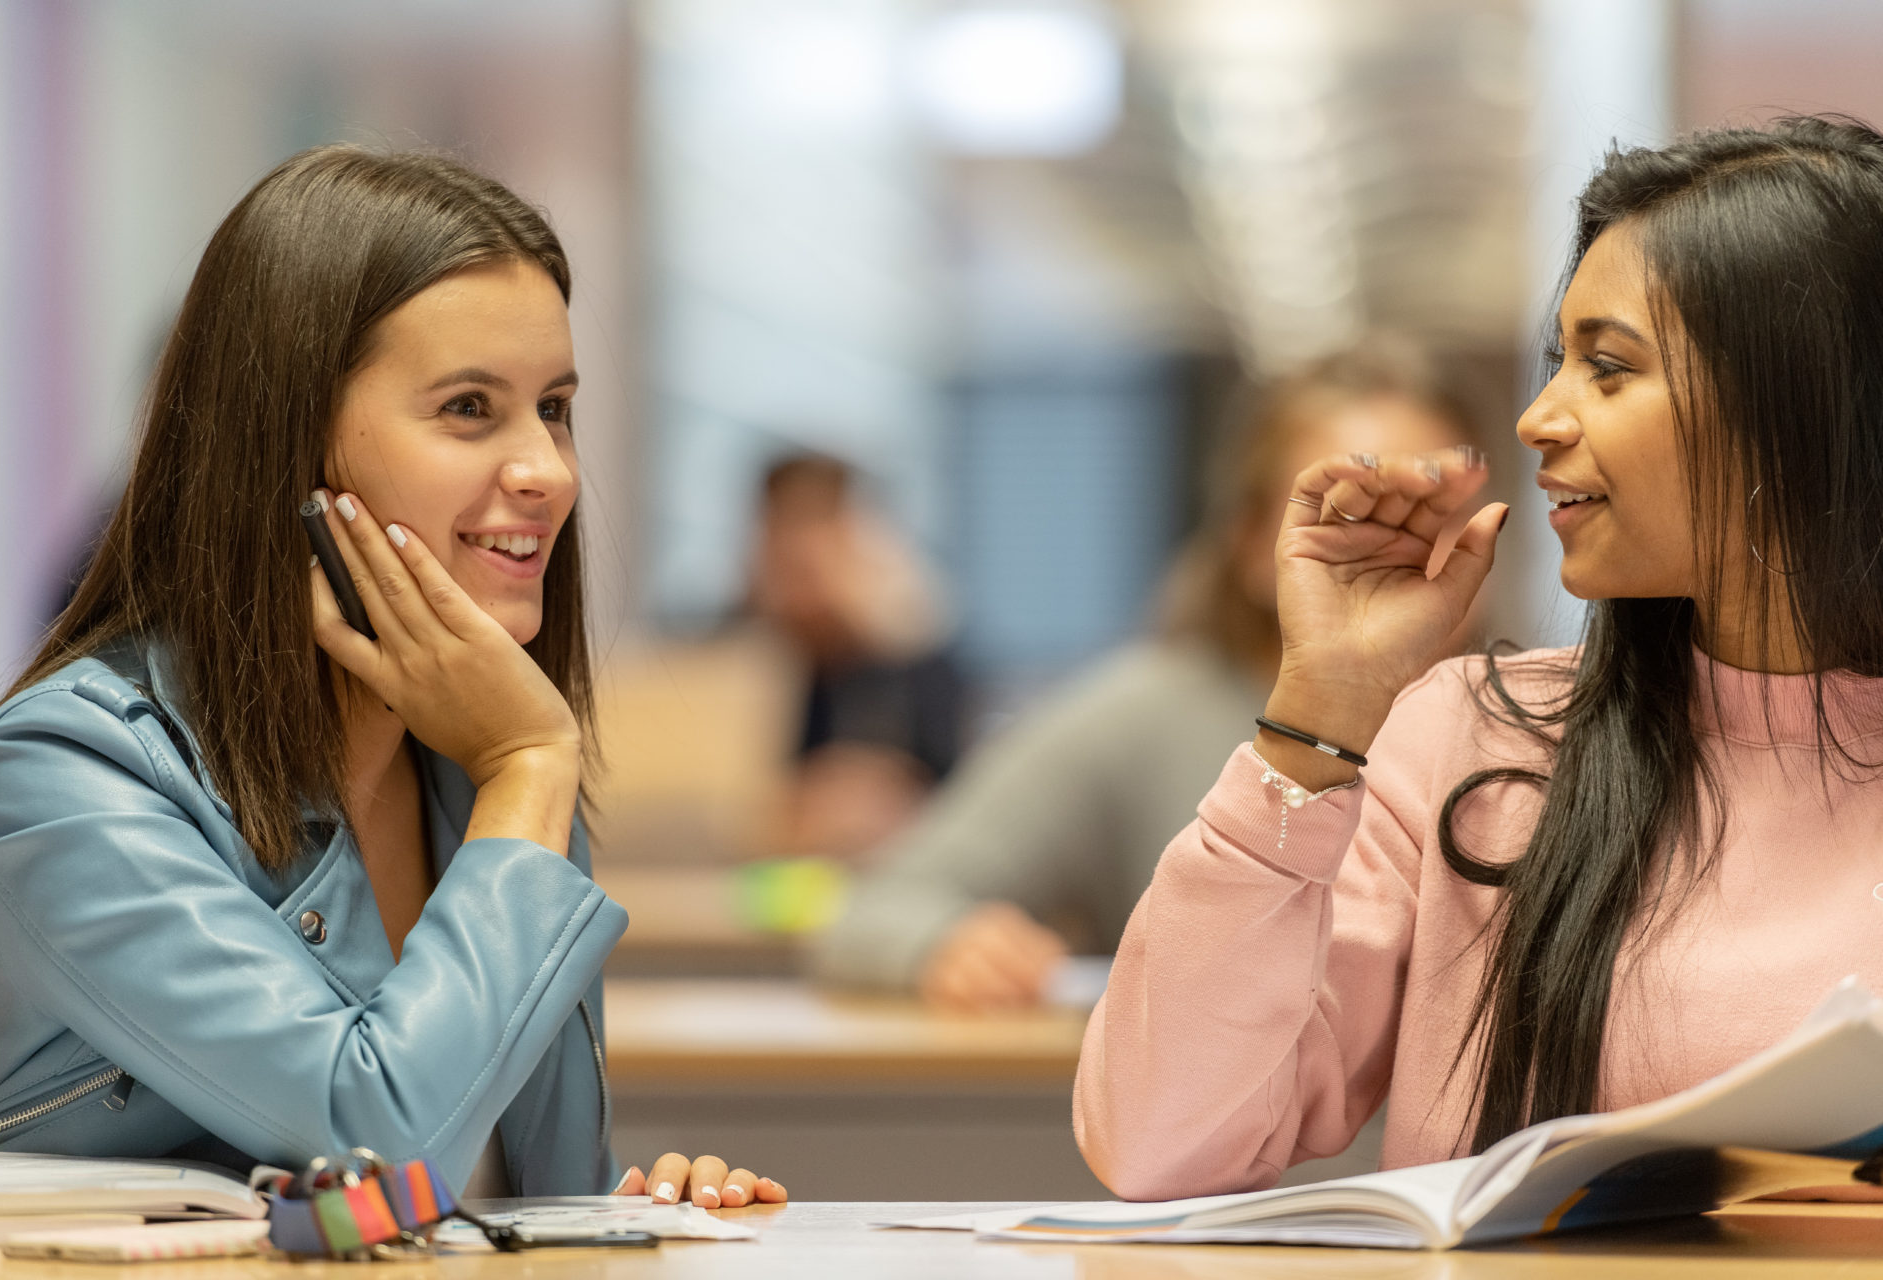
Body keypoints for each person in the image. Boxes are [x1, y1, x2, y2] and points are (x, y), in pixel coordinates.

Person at [1076, 114, 1883, 1201]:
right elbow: (1160, 1144)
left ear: (1798, 402)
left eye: (1609, 367)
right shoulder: (1472, 736)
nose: (1539, 415)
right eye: (1562, 361)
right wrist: (1322, 710)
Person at [0, 145, 781, 1210]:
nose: (548, 471)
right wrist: (529, 766)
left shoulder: (476, 762)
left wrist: (619, 1216)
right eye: (471, 408)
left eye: (556, 407)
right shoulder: (65, 768)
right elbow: (378, 1143)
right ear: (288, 443)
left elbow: (489, 1189)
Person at [813, 342, 1478, 1011]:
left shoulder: (1522, 727)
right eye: (1353, 515)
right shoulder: (1139, 717)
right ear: (1252, 544)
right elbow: (880, 910)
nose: (1398, 548)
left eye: (1433, 512)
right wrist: (950, 943)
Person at [743, 452, 966, 859]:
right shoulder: (747, 657)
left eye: (820, 524)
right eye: (784, 528)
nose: (801, 549)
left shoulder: (917, 657)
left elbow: (956, 798)